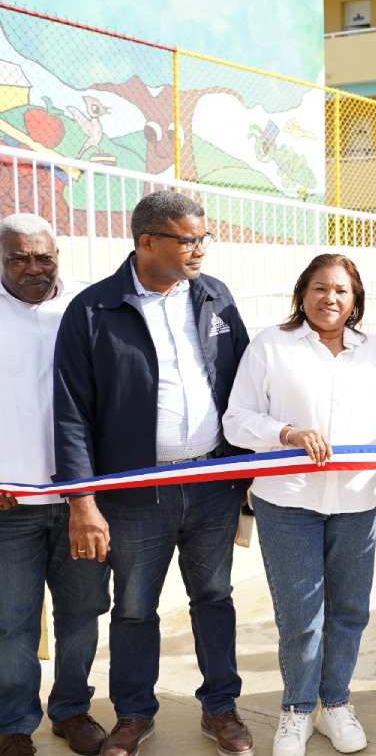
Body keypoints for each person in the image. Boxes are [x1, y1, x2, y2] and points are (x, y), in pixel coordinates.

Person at [54, 191, 254, 756]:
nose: (200, 250)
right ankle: (134, 714)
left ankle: (221, 709)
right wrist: (82, 501)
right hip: (135, 493)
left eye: (203, 237)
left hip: (213, 483)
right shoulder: (93, 311)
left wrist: (248, 477)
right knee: (135, 607)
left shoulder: (215, 297)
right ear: (147, 242)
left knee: (214, 597)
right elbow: (70, 413)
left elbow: (243, 384)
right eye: (188, 240)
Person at [223, 254, 376, 756]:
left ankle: (336, 704)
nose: (330, 299)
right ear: (302, 292)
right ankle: (297, 710)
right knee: (301, 614)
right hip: (287, 501)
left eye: (342, 291)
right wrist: (285, 433)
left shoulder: (371, 349)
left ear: (356, 300)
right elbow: (236, 419)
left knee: (349, 610)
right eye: (320, 288)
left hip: (357, 497)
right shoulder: (271, 345)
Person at [0, 214, 109, 756]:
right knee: (11, 620)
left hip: (80, 501)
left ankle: (72, 709)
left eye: (43, 257)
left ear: (58, 256)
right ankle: (15, 721)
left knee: (83, 611)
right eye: (18, 257)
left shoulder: (87, 309)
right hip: (9, 504)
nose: (32, 268)